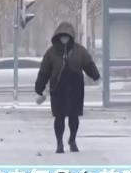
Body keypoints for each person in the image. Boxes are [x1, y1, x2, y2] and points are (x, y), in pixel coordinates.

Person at [35, 22, 100, 153]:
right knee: (59, 117)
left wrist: (95, 76)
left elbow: (88, 64)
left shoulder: (79, 51)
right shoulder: (51, 53)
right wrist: (39, 88)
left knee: (73, 117)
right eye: (62, 36)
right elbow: (44, 71)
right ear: (57, 36)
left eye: (66, 36)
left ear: (71, 36)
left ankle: (72, 140)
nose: (64, 38)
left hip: (75, 90)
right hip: (58, 90)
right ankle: (59, 143)